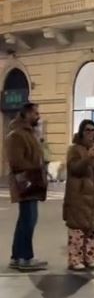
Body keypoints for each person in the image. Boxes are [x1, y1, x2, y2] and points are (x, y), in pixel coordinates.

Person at [6, 102, 48, 271]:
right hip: (26, 183)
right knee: (27, 220)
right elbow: (16, 161)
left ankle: (19, 256)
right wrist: (35, 170)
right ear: (26, 114)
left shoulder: (30, 133)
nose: (38, 116)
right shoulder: (16, 135)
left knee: (27, 220)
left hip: (33, 182)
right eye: (35, 113)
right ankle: (24, 257)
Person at [63, 120, 94, 271]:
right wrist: (88, 158)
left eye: (93, 130)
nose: (90, 133)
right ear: (81, 131)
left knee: (91, 227)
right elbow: (74, 169)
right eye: (87, 130)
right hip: (79, 195)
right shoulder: (74, 150)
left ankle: (90, 256)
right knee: (77, 228)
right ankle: (75, 259)